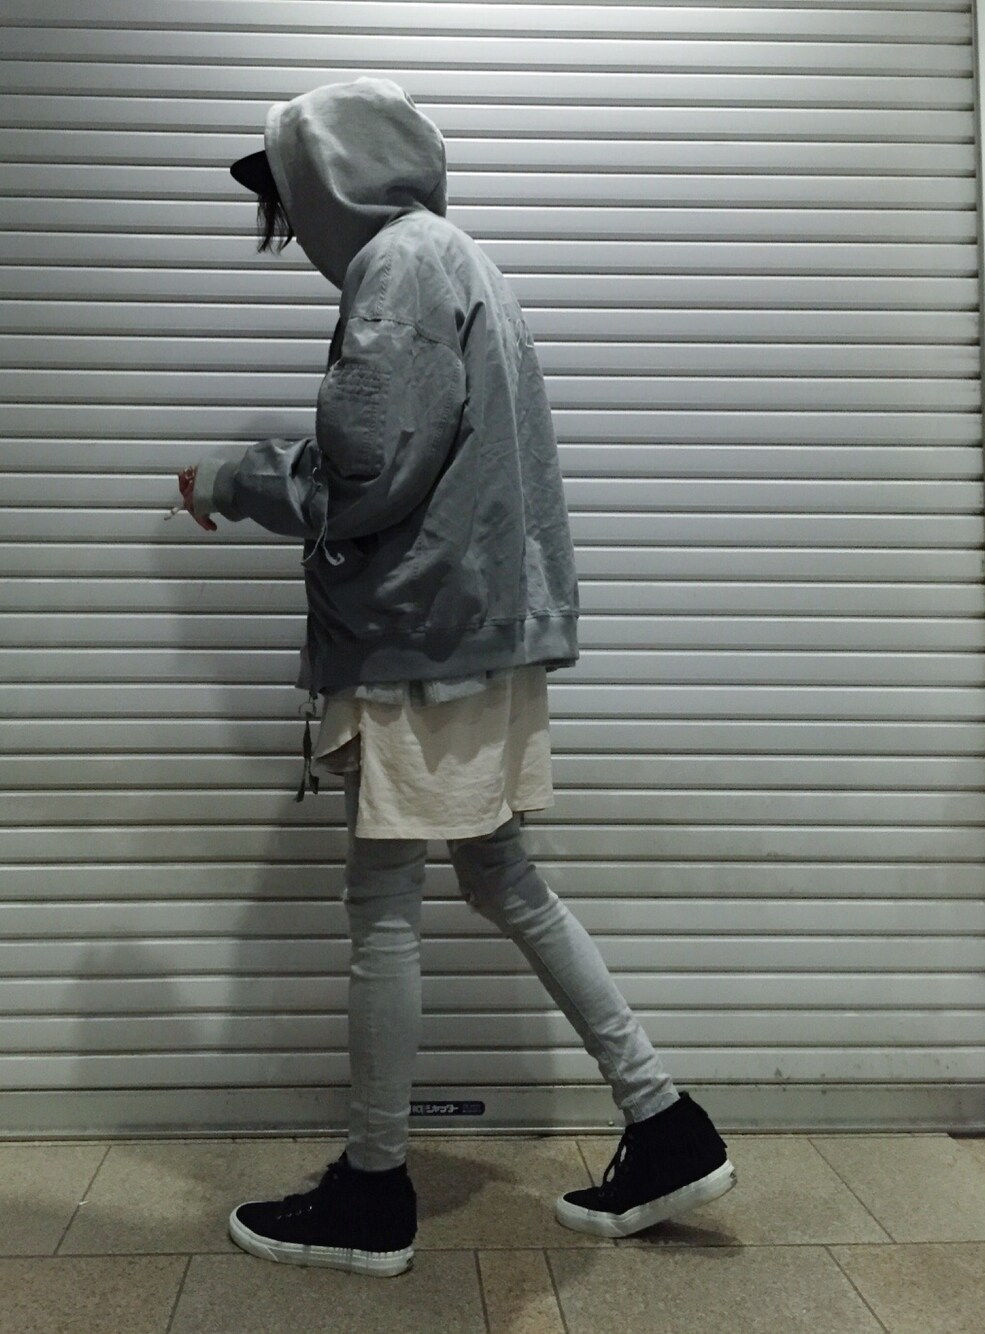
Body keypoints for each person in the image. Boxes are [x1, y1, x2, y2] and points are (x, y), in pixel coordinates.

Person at [174, 77, 735, 1279]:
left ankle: (374, 1188)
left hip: (423, 635)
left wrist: (235, 476)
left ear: (329, 181)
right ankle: (664, 1119)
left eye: (287, 195)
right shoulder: (454, 257)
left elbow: (363, 468)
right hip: (476, 626)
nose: (285, 222)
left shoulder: (399, 269)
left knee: (384, 900)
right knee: (503, 877)